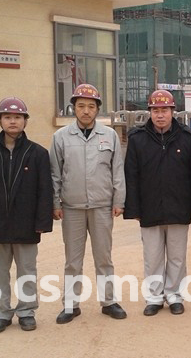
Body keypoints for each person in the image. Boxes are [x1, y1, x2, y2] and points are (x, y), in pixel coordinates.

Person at [0, 97, 53, 333]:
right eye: (7, 117)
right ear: (0, 120)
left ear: (25, 121)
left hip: (27, 224)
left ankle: (26, 311)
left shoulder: (38, 154)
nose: (12, 121)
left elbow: (44, 190)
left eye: (17, 117)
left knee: (27, 270)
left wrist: (42, 221)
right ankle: (2, 313)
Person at [49, 83, 127, 323]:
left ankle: (109, 301)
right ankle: (70, 305)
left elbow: (117, 170)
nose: (86, 111)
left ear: (97, 109)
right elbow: (55, 173)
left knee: (104, 258)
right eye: (81, 106)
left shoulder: (109, 136)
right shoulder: (61, 137)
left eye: (91, 106)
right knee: (73, 261)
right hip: (71, 207)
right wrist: (55, 203)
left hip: (102, 206)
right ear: (73, 108)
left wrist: (119, 200)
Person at [124, 90, 191, 316]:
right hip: (149, 208)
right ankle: (154, 297)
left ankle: (175, 295)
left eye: (165, 110)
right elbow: (131, 175)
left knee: (177, 257)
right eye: (156, 110)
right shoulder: (137, 139)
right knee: (153, 257)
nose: (160, 115)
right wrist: (134, 208)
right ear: (149, 112)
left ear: (172, 112)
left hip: (179, 207)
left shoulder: (186, 138)